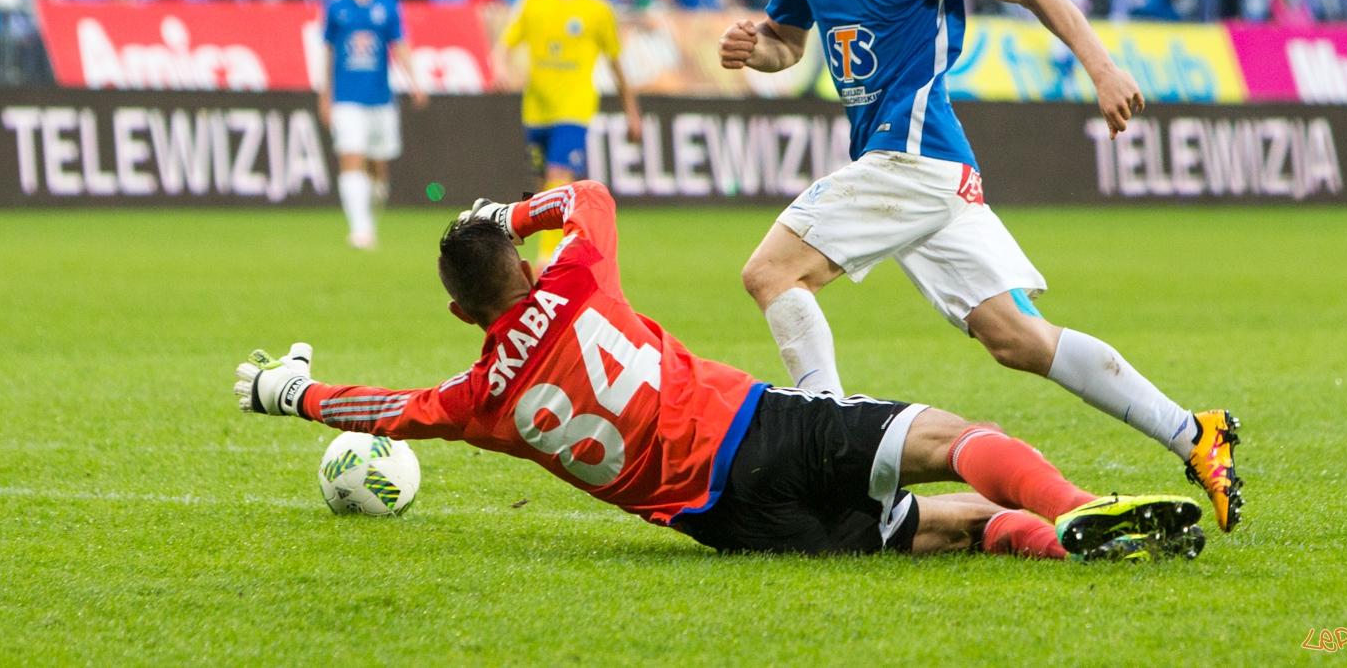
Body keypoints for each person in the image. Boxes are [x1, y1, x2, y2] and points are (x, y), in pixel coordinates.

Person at [715, 0, 1244, 533]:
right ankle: (1193, 432)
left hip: (913, 161)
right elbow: (788, 42)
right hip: (932, 175)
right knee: (1019, 338)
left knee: (771, 273)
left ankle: (831, 452)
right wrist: (757, 48)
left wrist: (1103, 68)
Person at [234, 180, 1208, 561]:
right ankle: (1078, 506)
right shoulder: (574, 278)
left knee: (942, 525)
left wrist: (292, 392)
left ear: (461, 314)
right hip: (760, 429)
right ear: (524, 267)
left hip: (732, 525)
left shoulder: (479, 398)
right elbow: (592, 197)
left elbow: (390, 408)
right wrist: (517, 214)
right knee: (957, 441)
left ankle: (1067, 545)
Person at [497, 0, 642, 262]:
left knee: (557, 177)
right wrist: (501, 68)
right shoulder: (532, 3)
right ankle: (571, 249)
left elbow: (617, 66)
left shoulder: (597, 10)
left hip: (575, 109)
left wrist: (632, 113)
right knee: (544, 188)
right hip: (536, 110)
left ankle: (547, 258)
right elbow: (505, 45)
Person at [318, 0, 428, 249]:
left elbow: (400, 46)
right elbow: (328, 52)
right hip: (346, 96)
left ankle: (371, 212)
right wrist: (325, 95)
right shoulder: (335, 4)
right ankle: (360, 229)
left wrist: (415, 81)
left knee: (379, 166)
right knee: (351, 155)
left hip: (380, 97)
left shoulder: (388, 5)